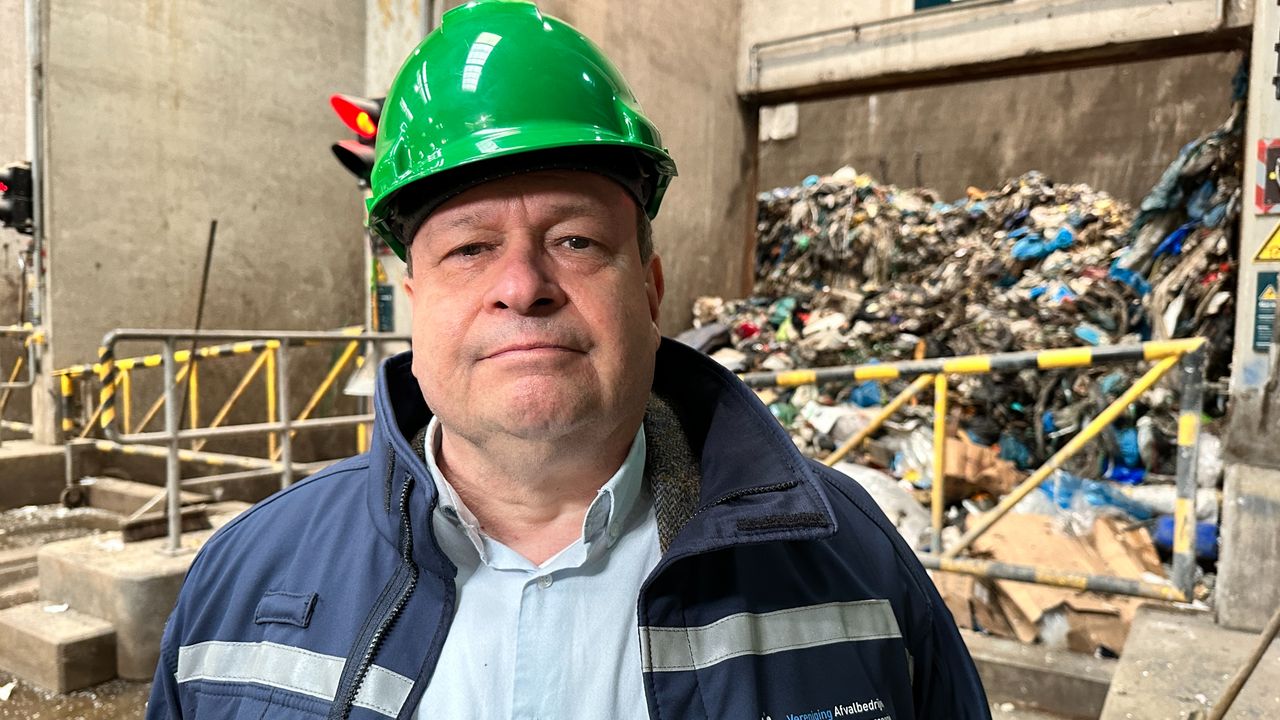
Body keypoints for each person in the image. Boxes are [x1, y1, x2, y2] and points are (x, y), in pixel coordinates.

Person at [147, 2, 990, 718]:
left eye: (576, 240)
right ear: (413, 305)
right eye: (470, 249)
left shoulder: (856, 565)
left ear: (651, 289)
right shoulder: (244, 586)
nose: (522, 286)